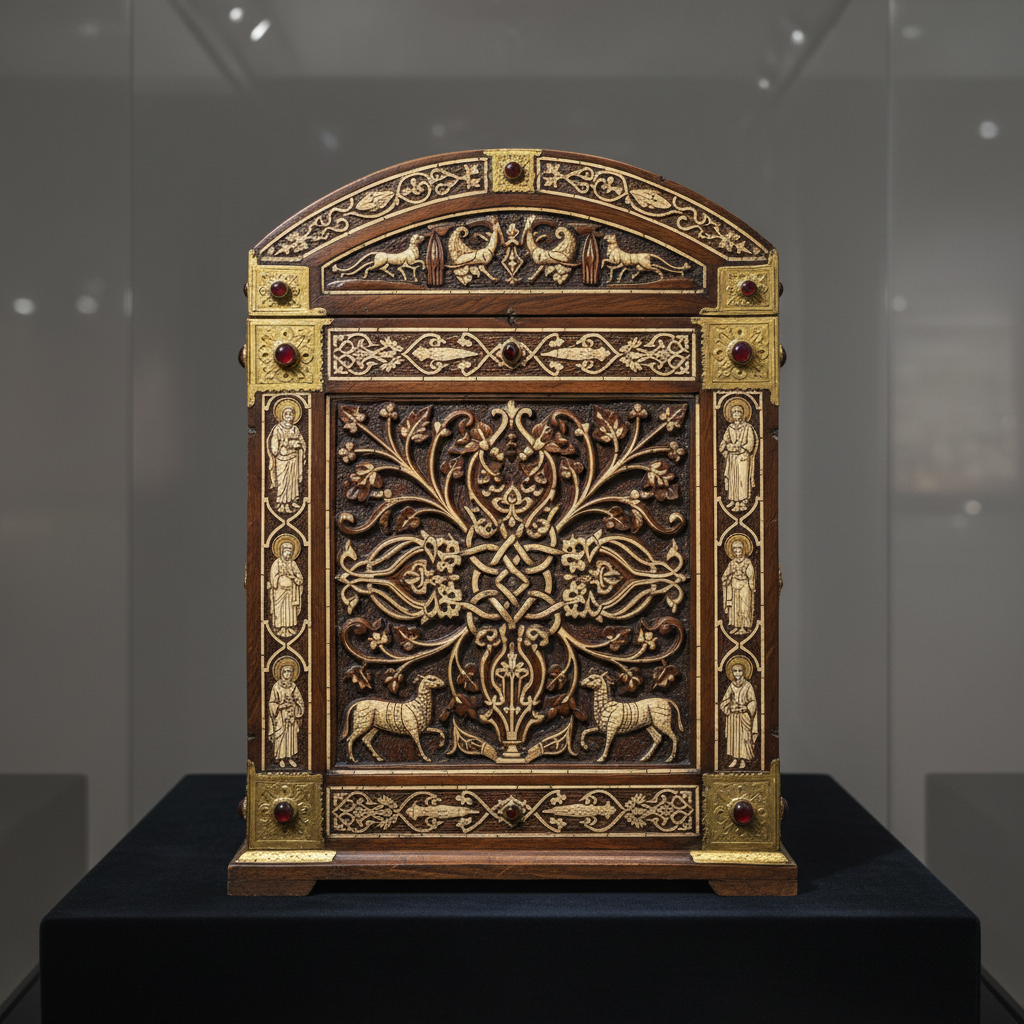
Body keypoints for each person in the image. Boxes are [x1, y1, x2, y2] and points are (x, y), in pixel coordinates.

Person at [719, 398, 757, 511]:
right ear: (731, 415)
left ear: (742, 414)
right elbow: (724, 442)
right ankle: (733, 500)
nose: (736, 414)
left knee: (742, 479)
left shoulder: (748, 427)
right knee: (732, 479)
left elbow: (751, 442)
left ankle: (742, 502)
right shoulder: (730, 428)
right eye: (734, 412)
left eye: (738, 412)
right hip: (732, 458)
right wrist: (725, 451)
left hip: (742, 457)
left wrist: (743, 450)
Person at [268, 400, 306, 513]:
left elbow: (302, 442)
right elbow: (274, 441)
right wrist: (277, 448)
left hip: (294, 459)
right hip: (282, 460)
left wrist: (299, 446)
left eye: (291, 413)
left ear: (294, 415)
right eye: (286, 413)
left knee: (292, 482)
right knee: (283, 483)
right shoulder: (278, 428)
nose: (289, 415)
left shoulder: (295, 429)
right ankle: (281, 505)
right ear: (282, 416)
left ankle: (292, 501)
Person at [721, 657, 758, 768]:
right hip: (733, 716)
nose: (737, 673)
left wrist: (745, 708)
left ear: (744, 672)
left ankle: (743, 759)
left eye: (739, 671)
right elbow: (724, 701)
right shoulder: (731, 686)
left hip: (744, 716)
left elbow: (753, 702)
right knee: (734, 737)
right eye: (735, 671)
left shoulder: (748, 686)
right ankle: (735, 758)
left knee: (744, 737)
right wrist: (729, 707)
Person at [269, 659, 304, 768]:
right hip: (280, 716)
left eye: (290, 671)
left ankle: (290, 757)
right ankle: (280, 758)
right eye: (285, 671)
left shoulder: (293, 686)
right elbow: (271, 702)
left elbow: (300, 701)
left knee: (291, 737)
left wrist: (294, 706)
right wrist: (280, 707)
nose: (288, 674)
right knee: (280, 736)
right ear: (281, 673)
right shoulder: (276, 686)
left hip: (291, 715)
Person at [267, 538, 303, 637]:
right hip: (279, 591)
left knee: (290, 610)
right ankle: (281, 628)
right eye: (286, 553)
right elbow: (273, 577)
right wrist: (279, 577)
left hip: (291, 592)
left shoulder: (293, 564)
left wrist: (293, 577)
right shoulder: (276, 563)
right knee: (280, 609)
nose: (288, 556)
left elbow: (300, 578)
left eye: (290, 554)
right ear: (282, 552)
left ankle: (289, 628)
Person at [721, 536, 755, 634]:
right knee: (735, 607)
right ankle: (736, 625)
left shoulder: (747, 562)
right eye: (735, 550)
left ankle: (744, 627)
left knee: (744, 606)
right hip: (734, 585)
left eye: (739, 550)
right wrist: (725, 579)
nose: (737, 552)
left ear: (743, 550)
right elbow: (726, 573)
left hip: (744, 586)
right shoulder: (732, 563)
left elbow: (751, 575)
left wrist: (752, 586)